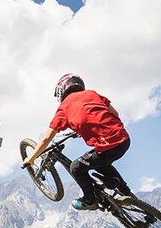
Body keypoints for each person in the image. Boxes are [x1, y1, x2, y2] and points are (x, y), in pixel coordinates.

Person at [22, 74, 134, 210]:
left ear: (61, 90)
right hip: (124, 140)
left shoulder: (64, 107)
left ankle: (89, 201)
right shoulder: (92, 94)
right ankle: (126, 192)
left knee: (76, 168)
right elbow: (115, 113)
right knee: (99, 162)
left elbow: (46, 138)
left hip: (108, 147)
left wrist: (31, 158)